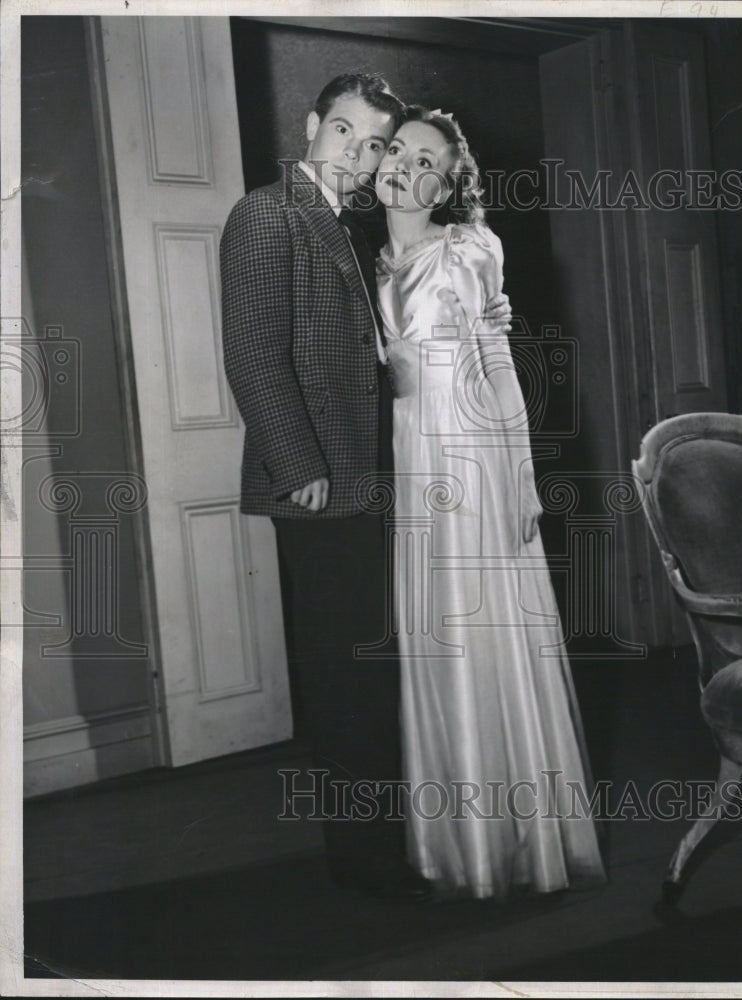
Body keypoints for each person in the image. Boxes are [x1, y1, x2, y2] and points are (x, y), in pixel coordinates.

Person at [220, 75, 510, 902]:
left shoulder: (345, 225)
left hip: (371, 478)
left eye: (374, 142)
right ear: (312, 127)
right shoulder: (266, 214)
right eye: (343, 133)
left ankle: (394, 842)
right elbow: (252, 354)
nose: (358, 154)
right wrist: (298, 464)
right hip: (320, 482)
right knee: (346, 679)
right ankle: (366, 865)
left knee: (371, 673)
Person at [374, 106, 607, 899]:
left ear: (448, 181)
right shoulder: (355, 258)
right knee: (433, 636)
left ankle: (516, 842)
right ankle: (452, 844)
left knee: (484, 631)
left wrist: (520, 476)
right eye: (398, 149)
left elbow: (499, 360)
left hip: (473, 454)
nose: (407, 166)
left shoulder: (471, 247)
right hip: (411, 462)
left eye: (427, 159)